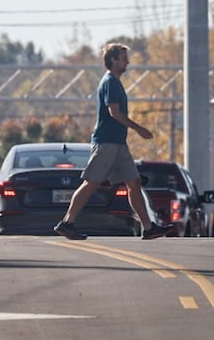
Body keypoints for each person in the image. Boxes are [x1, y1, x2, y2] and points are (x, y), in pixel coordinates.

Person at [54, 43, 173, 241]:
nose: (128, 61)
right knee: (91, 183)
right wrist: (139, 128)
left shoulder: (115, 82)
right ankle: (67, 223)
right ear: (113, 60)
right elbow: (114, 112)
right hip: (107, 142)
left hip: (119, 143)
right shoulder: (109, 82)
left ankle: (148, 227)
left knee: (134, 183)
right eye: (124, 58)